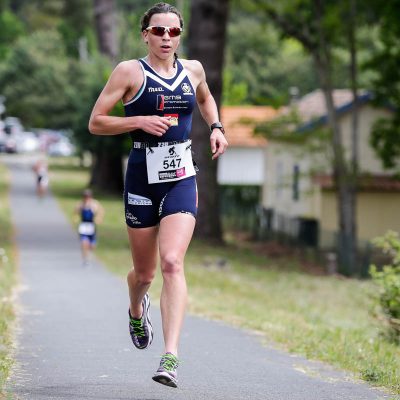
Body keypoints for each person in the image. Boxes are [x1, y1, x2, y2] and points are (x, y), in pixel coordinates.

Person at [88, 2, 228, 388]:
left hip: (181, 174)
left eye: (174, 32)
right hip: (141, 176)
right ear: (145, 34)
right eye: (159, 31)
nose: (167, 38)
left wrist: (216, 126)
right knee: (145, 273)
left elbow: (204, 97)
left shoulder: (193, 69)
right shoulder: (129, 72)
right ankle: (136, 307)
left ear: (180, 35)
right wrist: (137, 120)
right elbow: (96, 121)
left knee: (171, 263)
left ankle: (171, 357)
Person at [74, 189, 104, 266]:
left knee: (92, 246)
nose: (86, 198)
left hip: (91, 226)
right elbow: (75, 212)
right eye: (85, 196)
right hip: (83, 226)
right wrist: (76, 217)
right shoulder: (80, 205)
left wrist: (98, 218)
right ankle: (85, 259)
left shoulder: (94, 204)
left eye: (88, 196)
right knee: (84, 243)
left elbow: (101, 212)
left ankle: (89, 254)